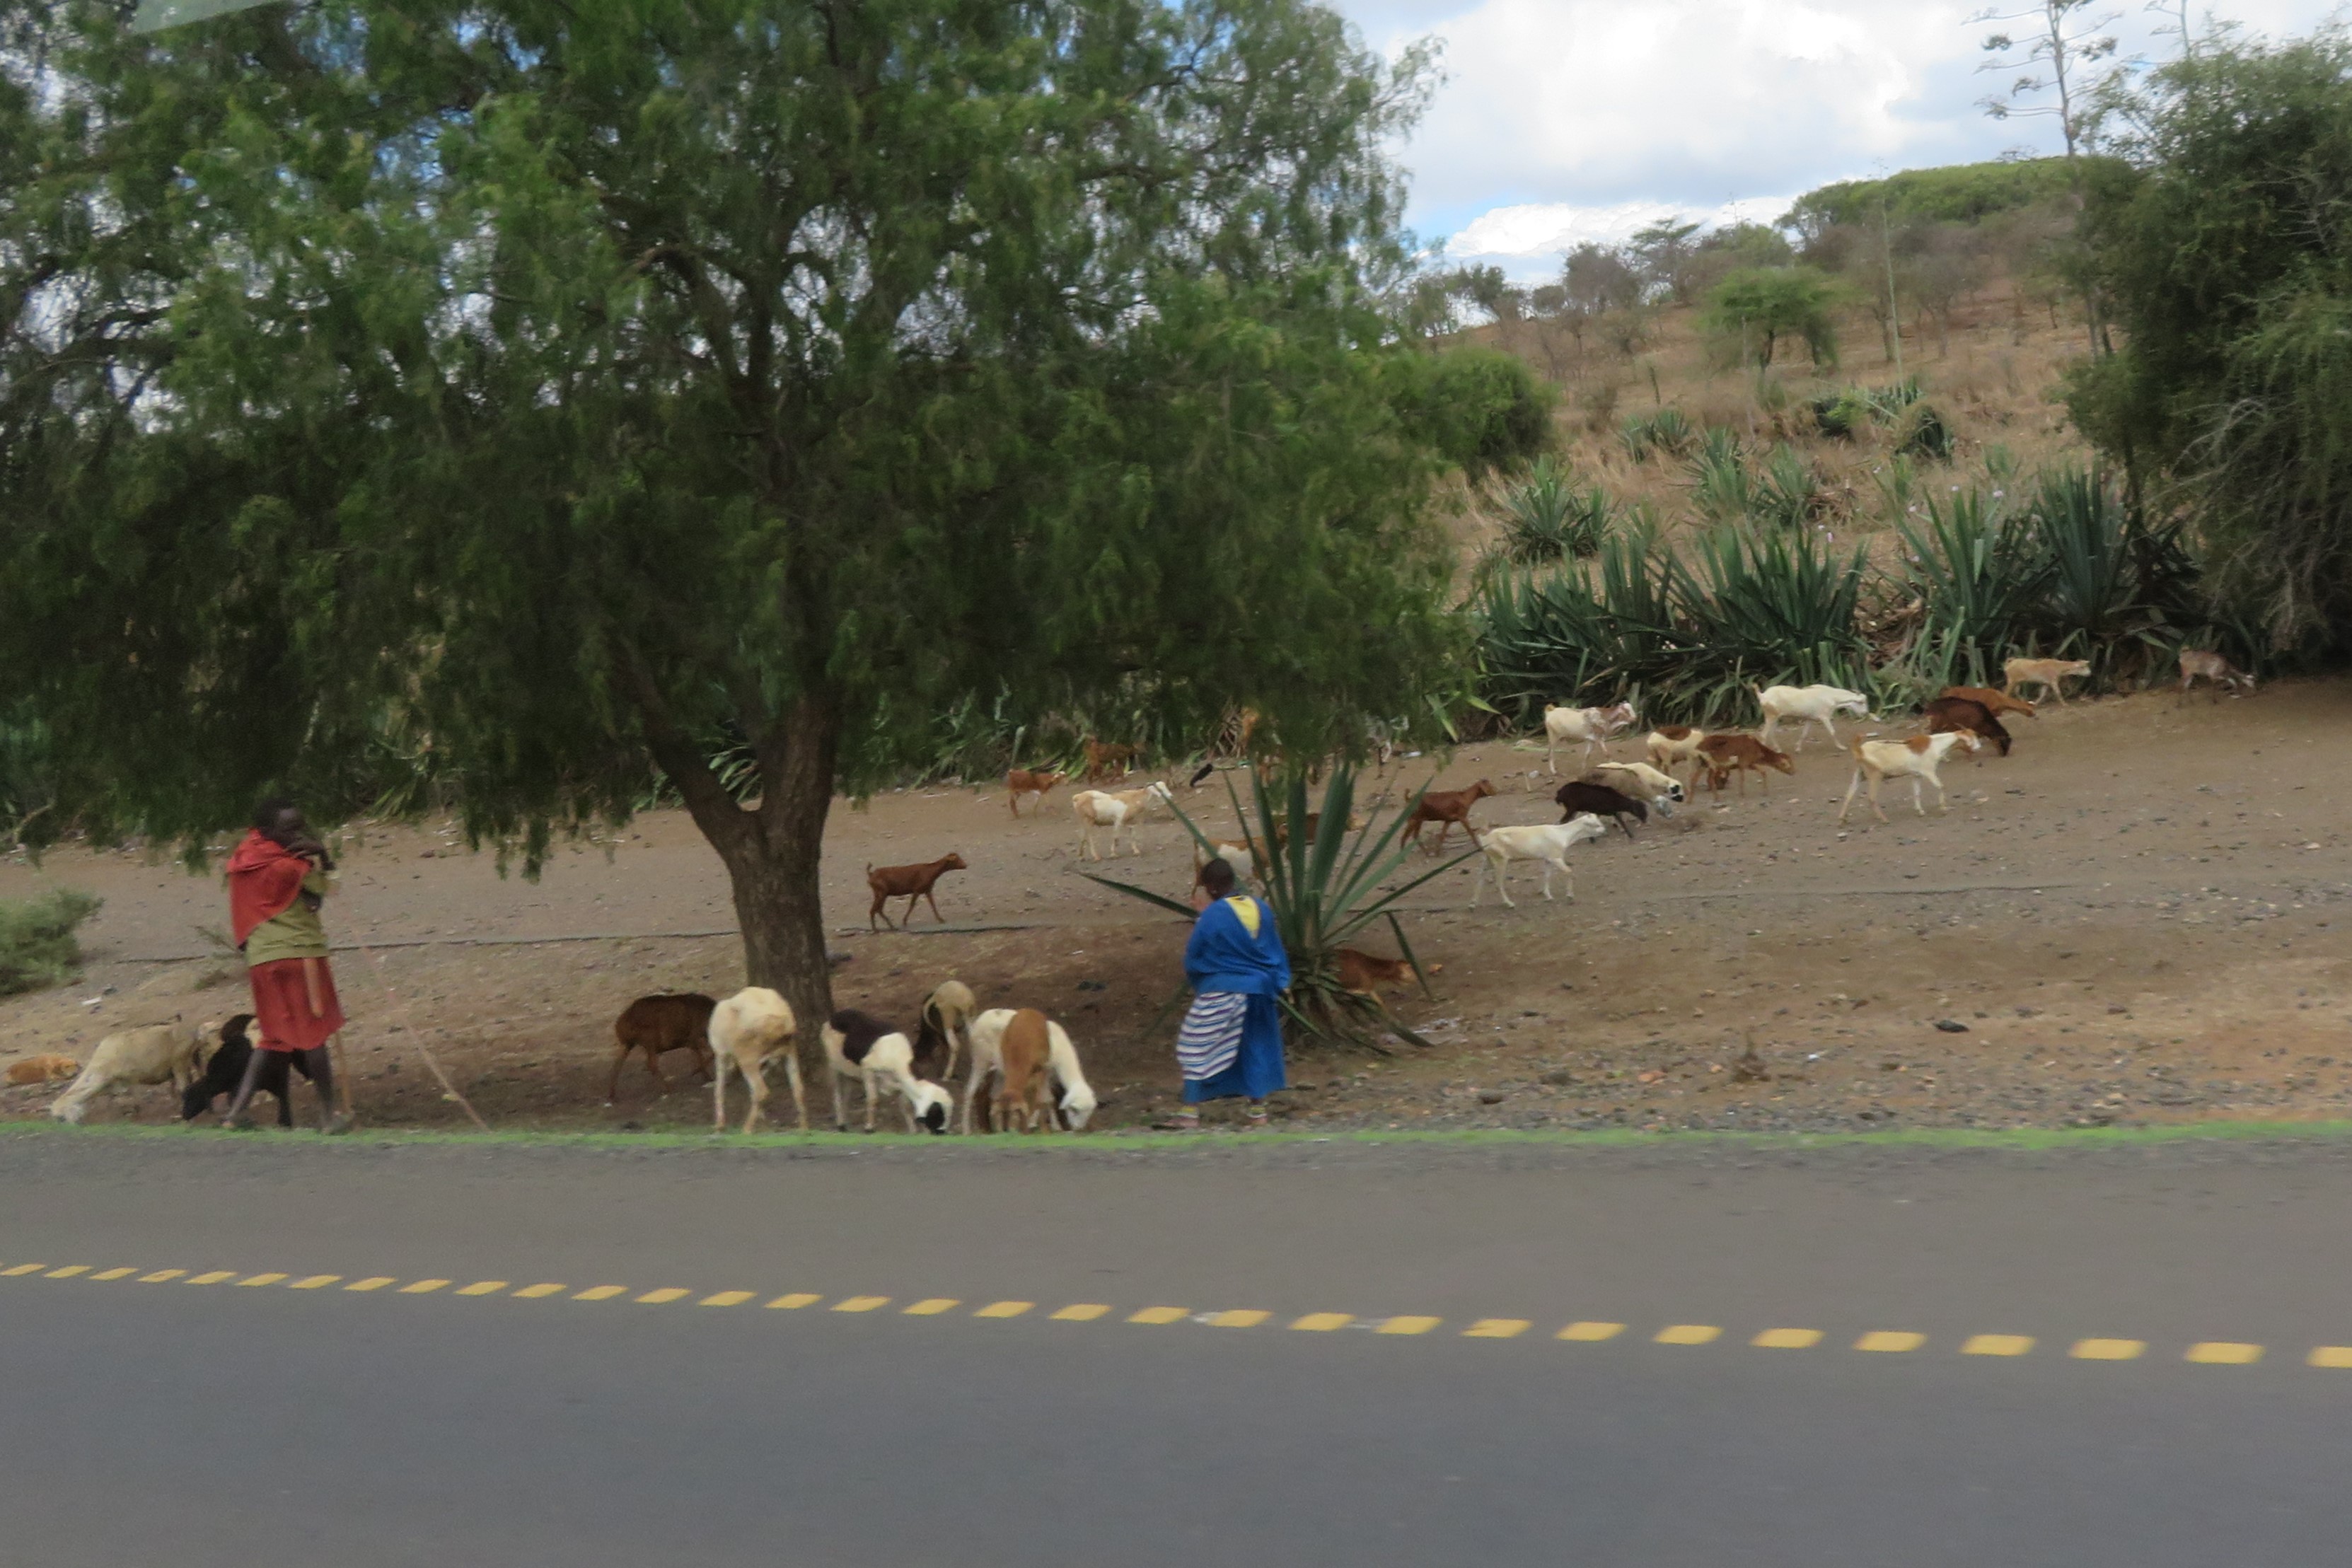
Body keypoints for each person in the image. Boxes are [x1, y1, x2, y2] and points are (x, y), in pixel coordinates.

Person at [222, 798, 352, 1133]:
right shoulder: (290, 867)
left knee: (273, 1038)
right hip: (300, 956)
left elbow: (307, 897)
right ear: (267, 830)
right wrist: (322, 854)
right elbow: (330, 888)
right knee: (314, 1033)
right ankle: (327, 1117)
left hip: (262, 960)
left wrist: (309, 891)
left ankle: (236, 1114)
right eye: (289, 828)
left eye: (300, 827)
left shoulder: (242, 860)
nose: (298, 835)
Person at [1165, 856, 1290, 1129]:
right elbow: (1274, 950)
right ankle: (1258, 1113)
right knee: (1253, 1045)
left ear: (1210, 888)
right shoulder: (1261, 908)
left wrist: (1202, 918)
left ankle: (1189, 1113)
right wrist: (1280, 980)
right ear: (1233, 881)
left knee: (1194, 1045)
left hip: (1224, 990)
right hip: (1260, 990)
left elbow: (1196, 955)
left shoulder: (1213, 915)